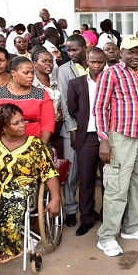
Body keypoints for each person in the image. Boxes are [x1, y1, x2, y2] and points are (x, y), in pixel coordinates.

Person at [93, 36, 138, 257]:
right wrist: (104, 139)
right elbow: (100, 107)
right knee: (117, 187)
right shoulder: (110, 73)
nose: (135, 56)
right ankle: (107, 237)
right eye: (130, 52)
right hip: (120, 137)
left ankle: (132, 228)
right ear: (121, 53)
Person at [0, 103, 60, 268]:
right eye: (16, 123)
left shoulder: (35, 145)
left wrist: (55, 198)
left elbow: (49, 173)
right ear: (3, 128)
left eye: (23, 121)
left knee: (10, 199)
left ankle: (8, 247)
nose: (22, 126)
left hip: (23, 188)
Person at [66, 48, 107, 236]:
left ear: (105, 62)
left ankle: (108, 216)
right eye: (93, 62)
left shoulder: (110, 82)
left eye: (100, 62)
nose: (97, 66)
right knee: (86, 179)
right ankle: (87, 217)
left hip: (109, 137)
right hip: (87, 137)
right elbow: (72, 109)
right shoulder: (76, 84)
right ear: (87, 62)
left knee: (109, 180)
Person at [0, 56, 55, 144]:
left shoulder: (41, 94)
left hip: (36, 143)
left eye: (32, 73)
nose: (30, 76)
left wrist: (41, 145)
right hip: (3, 145)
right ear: (13, 73)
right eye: (26, 73)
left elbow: (48, 123)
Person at [57, 34, 89, 227]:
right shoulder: (63, 70)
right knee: (71, 172)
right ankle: (70, 209)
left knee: (88, 173)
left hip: (93, 128)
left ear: (85, 47)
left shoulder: (95, 64)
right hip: (72, 130)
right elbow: (64, 100)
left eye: (75, 49)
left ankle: (88, 208)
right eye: (68, 50)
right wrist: (73, 127)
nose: (71, 54)